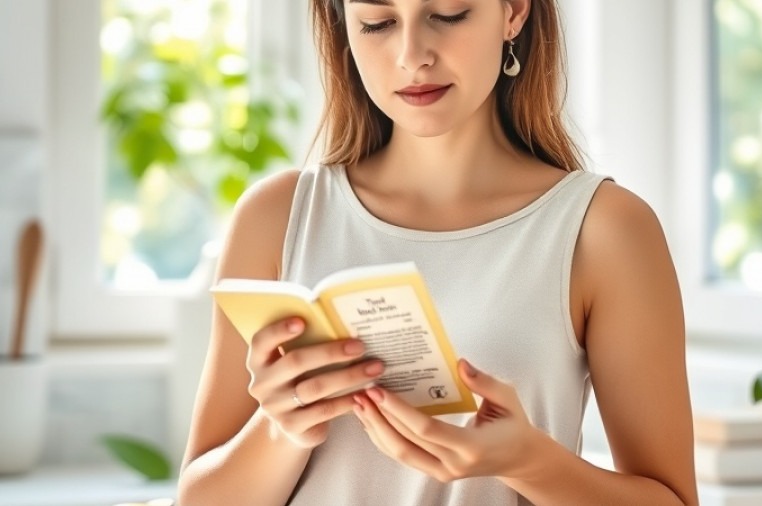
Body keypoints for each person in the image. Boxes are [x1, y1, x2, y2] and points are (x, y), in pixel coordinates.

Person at [177, 0, 698, 504]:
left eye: (448, 14)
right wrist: (279, 428)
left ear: (514, 11)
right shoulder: (276, 217)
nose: (412, 55)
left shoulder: (604, 230)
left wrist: (528, 461)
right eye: (378, 23)